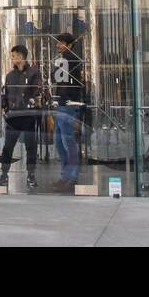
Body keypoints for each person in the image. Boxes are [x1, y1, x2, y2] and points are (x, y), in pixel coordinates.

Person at [0, 44, 43, 189]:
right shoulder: (10, 76)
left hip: (28, 116)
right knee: (7, 147)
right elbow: (6, 93)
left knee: (31, 147)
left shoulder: (34, 73)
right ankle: (4, 174)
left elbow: (37, 92)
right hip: (13, 116)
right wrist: (5, 107)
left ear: (21, 57)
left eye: (14, 56)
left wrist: (31, 104)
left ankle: (31, 175)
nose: (12, 59)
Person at [50, 32, 86, 192]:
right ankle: (66, 176)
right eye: (58, 42)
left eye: (62, 43)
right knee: (60, 141)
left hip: (68, 104)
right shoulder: (64, 59)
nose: (58, 45)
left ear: (69, 45)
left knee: (66, 140)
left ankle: (71, 176)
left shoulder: (68, 59)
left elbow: (56, 78)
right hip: (62, 103)